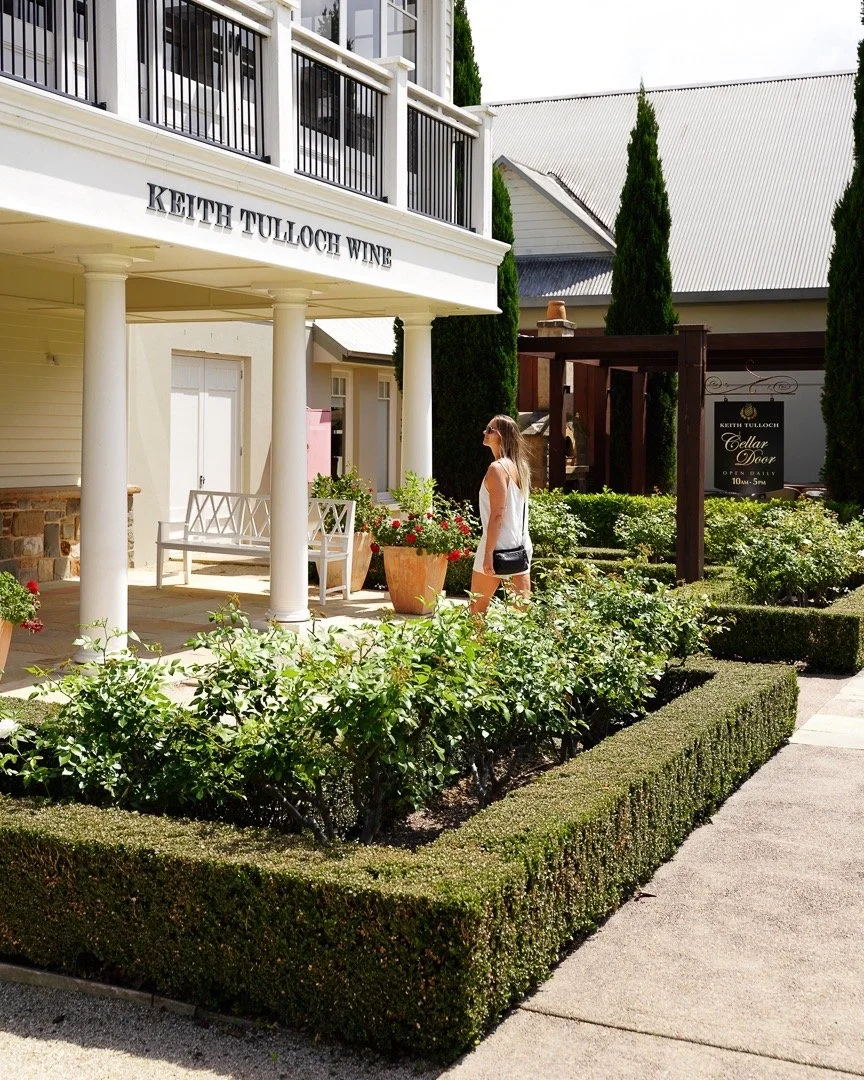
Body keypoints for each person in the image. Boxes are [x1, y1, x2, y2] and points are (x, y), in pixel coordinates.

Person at [468, 414, 532, 615]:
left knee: (477, 610)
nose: (484, 432)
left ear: (502, 436)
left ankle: (479, 647)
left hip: (497, 547)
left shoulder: (497, 468)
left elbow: (497, 514)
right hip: (520, 546)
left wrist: (487, 554)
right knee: (520, 613)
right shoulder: (520, 467)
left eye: (490, 430)